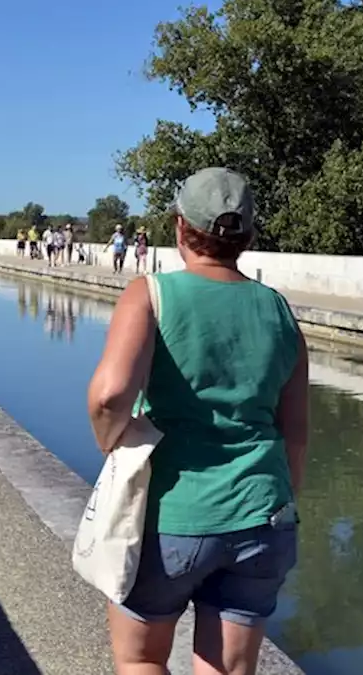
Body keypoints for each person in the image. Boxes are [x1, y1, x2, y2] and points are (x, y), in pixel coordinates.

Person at [87, 167, 308, 675]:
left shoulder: (150, 294)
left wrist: (111, 446)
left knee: (141, 657)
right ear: (249, 237)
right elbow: (295, 432)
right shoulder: (279, 310)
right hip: (264, 514)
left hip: (174, 514)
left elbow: (109, 397)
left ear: (179, 227)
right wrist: (278, 504)